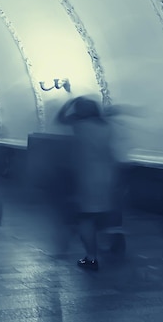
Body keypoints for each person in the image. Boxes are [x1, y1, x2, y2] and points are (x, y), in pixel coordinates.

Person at [56, 85, 121, 271]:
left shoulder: (80, 126)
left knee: (86, 219)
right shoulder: (106, 127)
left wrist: (70, 100)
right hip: (107, 177)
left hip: (86, 179)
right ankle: (114, 243)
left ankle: (91, 258)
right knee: (104, 214)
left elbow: (60, 119)